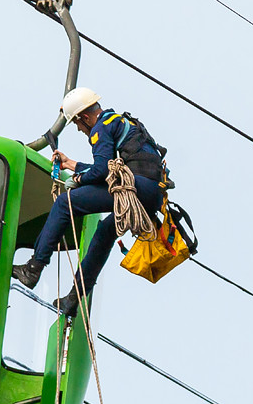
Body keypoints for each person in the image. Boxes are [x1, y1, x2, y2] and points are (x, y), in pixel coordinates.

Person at [12, 87, 166, 317]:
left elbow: (101, 170)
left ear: (84, 117)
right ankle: (74, 298)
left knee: (65, 203)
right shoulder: (121, 122)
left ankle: (34, 267)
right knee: (105, 232)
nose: (80, 129)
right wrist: (71, 164)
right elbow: (106, 169)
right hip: (151, 192)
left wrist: (79, 179)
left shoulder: (101, 127)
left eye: (77, 124)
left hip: (135, 187)